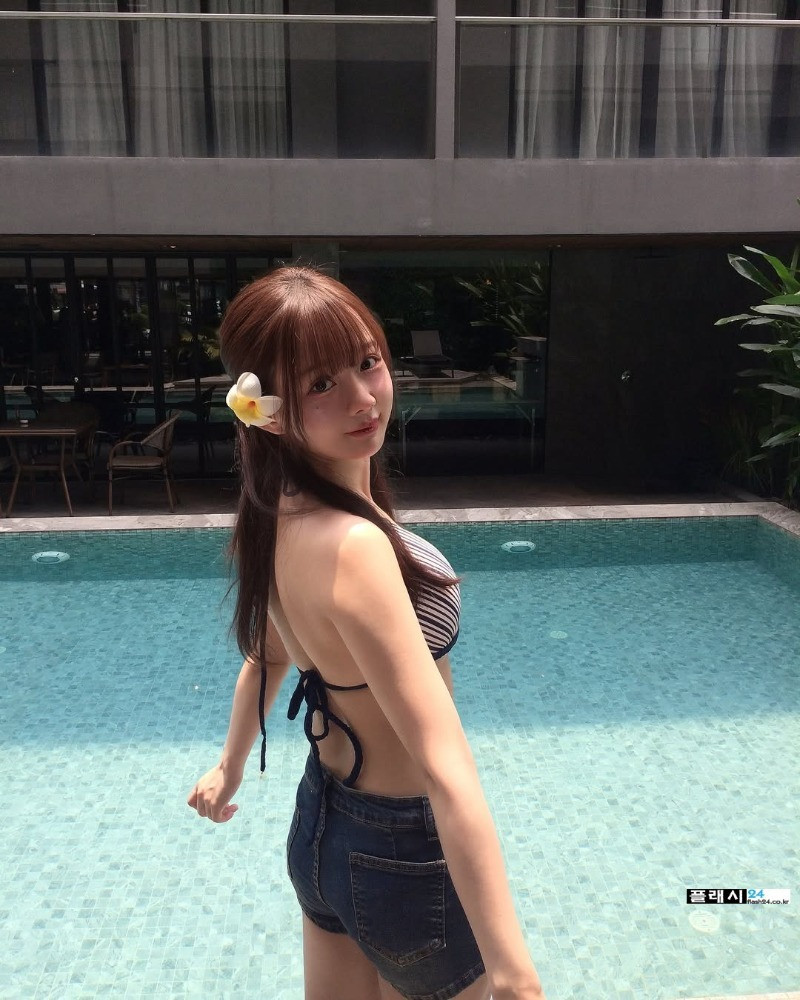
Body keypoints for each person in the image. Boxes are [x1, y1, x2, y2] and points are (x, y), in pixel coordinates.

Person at [187, 266, 546, 1000]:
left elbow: (268, 656)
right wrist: (513, 973)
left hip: (323, 829)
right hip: (402, 852)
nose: (362, 397)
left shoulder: (276, 515)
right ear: (270, 412)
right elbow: (443, 764)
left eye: (367, 362)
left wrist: (229, 766)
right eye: (322, 383)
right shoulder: (354, 547)